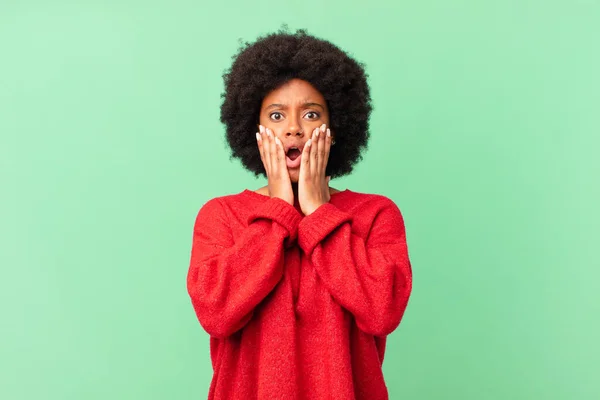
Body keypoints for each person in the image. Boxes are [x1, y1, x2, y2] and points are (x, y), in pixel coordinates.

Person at [187, 28, 413, 400]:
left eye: (310, 114)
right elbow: (217, 314)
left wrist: (320, 212)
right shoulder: (222, 215)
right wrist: (278, 211)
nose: (293, 128)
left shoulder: (375, 214)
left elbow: (382, 313)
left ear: (335, 128)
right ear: (254, 129)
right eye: (276, 115)